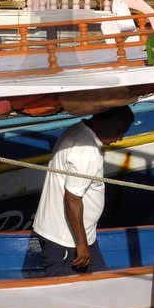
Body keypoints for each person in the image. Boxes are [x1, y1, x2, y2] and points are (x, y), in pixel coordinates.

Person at [33, 106, 135, 276]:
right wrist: (81, 244)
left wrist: (84, 241)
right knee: (66, 296)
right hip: (66, 241)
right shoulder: (87, 150)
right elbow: (72, 198)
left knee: (101, 285)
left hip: (81, 237)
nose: (120, 138)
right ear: (108, 124)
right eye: (120, 131)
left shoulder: (76, 131)